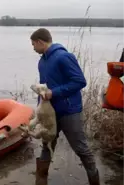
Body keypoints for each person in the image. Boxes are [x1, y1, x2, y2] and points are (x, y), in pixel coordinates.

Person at [30, 28, 100, 185]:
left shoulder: (64, 57)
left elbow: (80, 81)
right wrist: (39, 110)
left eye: (33, 44)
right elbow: (43, 88)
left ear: (41, 42)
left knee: (81, 148)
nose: (33, 47)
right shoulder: (42, 61)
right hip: (50, 114)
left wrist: (53, 93)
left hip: (69, 111)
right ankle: (41, 180)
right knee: (47, 146)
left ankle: (94, 180)